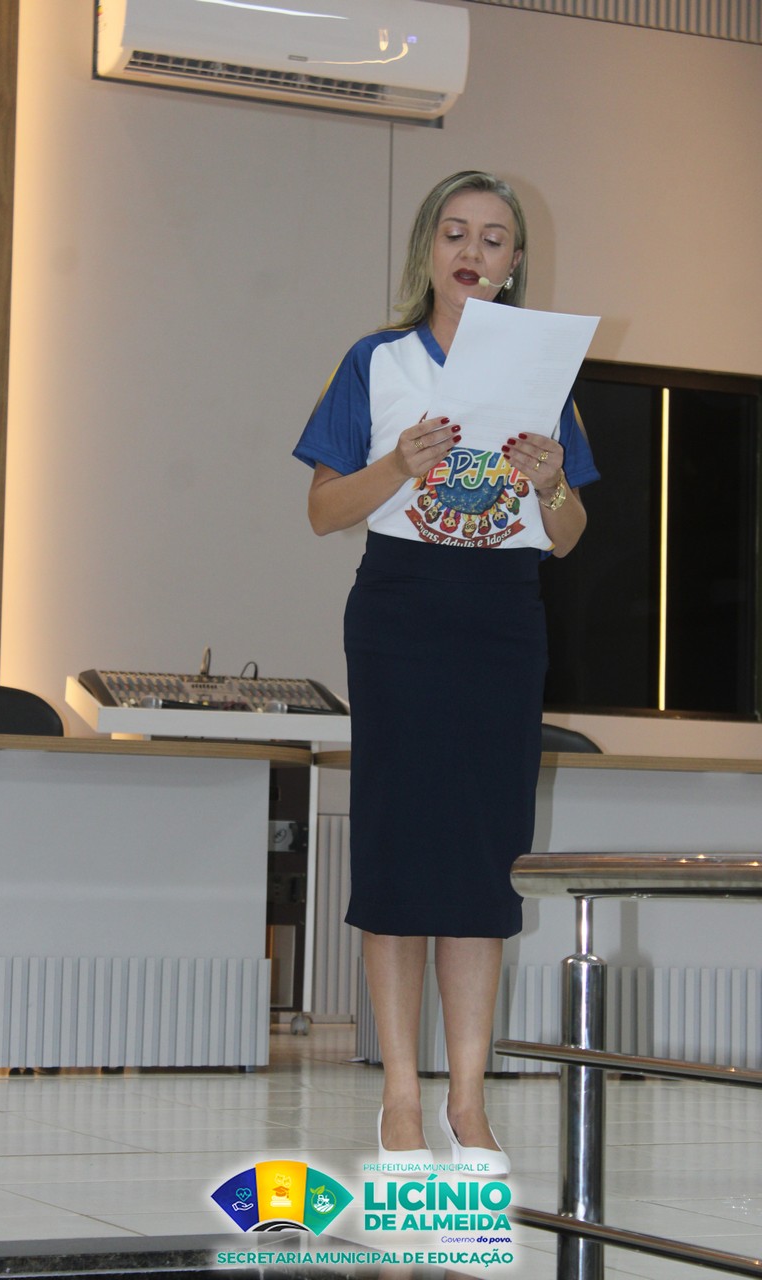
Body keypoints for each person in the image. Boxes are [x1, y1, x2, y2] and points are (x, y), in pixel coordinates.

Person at [293, 170, 599, 1174]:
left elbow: (567, 536)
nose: (473, 251)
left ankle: (468, 1103)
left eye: (494, 238)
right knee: (397, 849)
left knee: (479, 859)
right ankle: (399, 1099)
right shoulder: (375, 361)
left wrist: (551, 486)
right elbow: (323, 511)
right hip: (401, 613)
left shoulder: (544, 374)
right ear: (426, 247)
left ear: (515, 264)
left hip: (502, 620)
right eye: (455, 233)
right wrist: (398, 466)